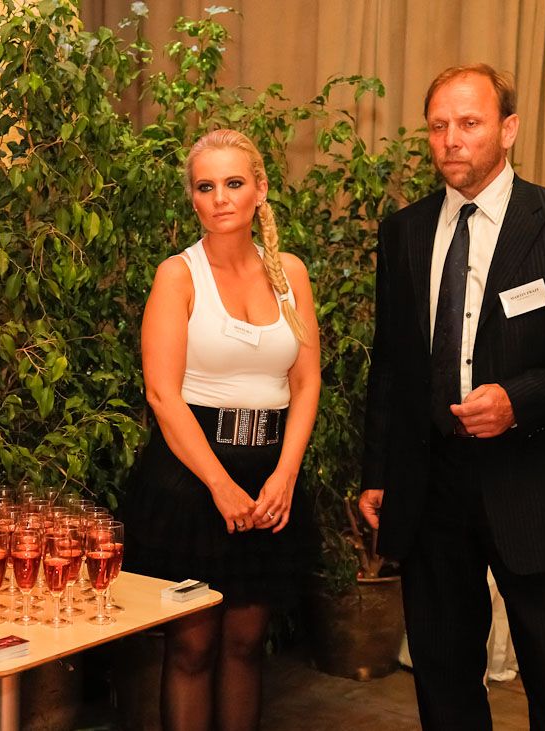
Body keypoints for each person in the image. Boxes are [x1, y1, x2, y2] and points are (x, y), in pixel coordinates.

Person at [359, 64, 545, 730]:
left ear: (508, 130)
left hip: (533, 478)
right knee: (444, 682)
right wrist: (378, 472)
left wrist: (518, 399)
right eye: (438, 126)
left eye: (469, 123)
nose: (451, 139)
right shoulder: (403, 232)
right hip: (431, 485)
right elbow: (390, 364)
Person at [122, 129, 321, 731]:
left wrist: (285, 475)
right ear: (193, 198)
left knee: (246, 644)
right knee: (192, 646)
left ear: (261, 189)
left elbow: (306, 381)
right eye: (205, 187)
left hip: (270, 473)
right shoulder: (177, 276)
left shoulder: (289, 273)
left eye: (234, 183)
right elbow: (162, 394)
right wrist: (219, 485)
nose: (220, 198)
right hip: (191, 476)